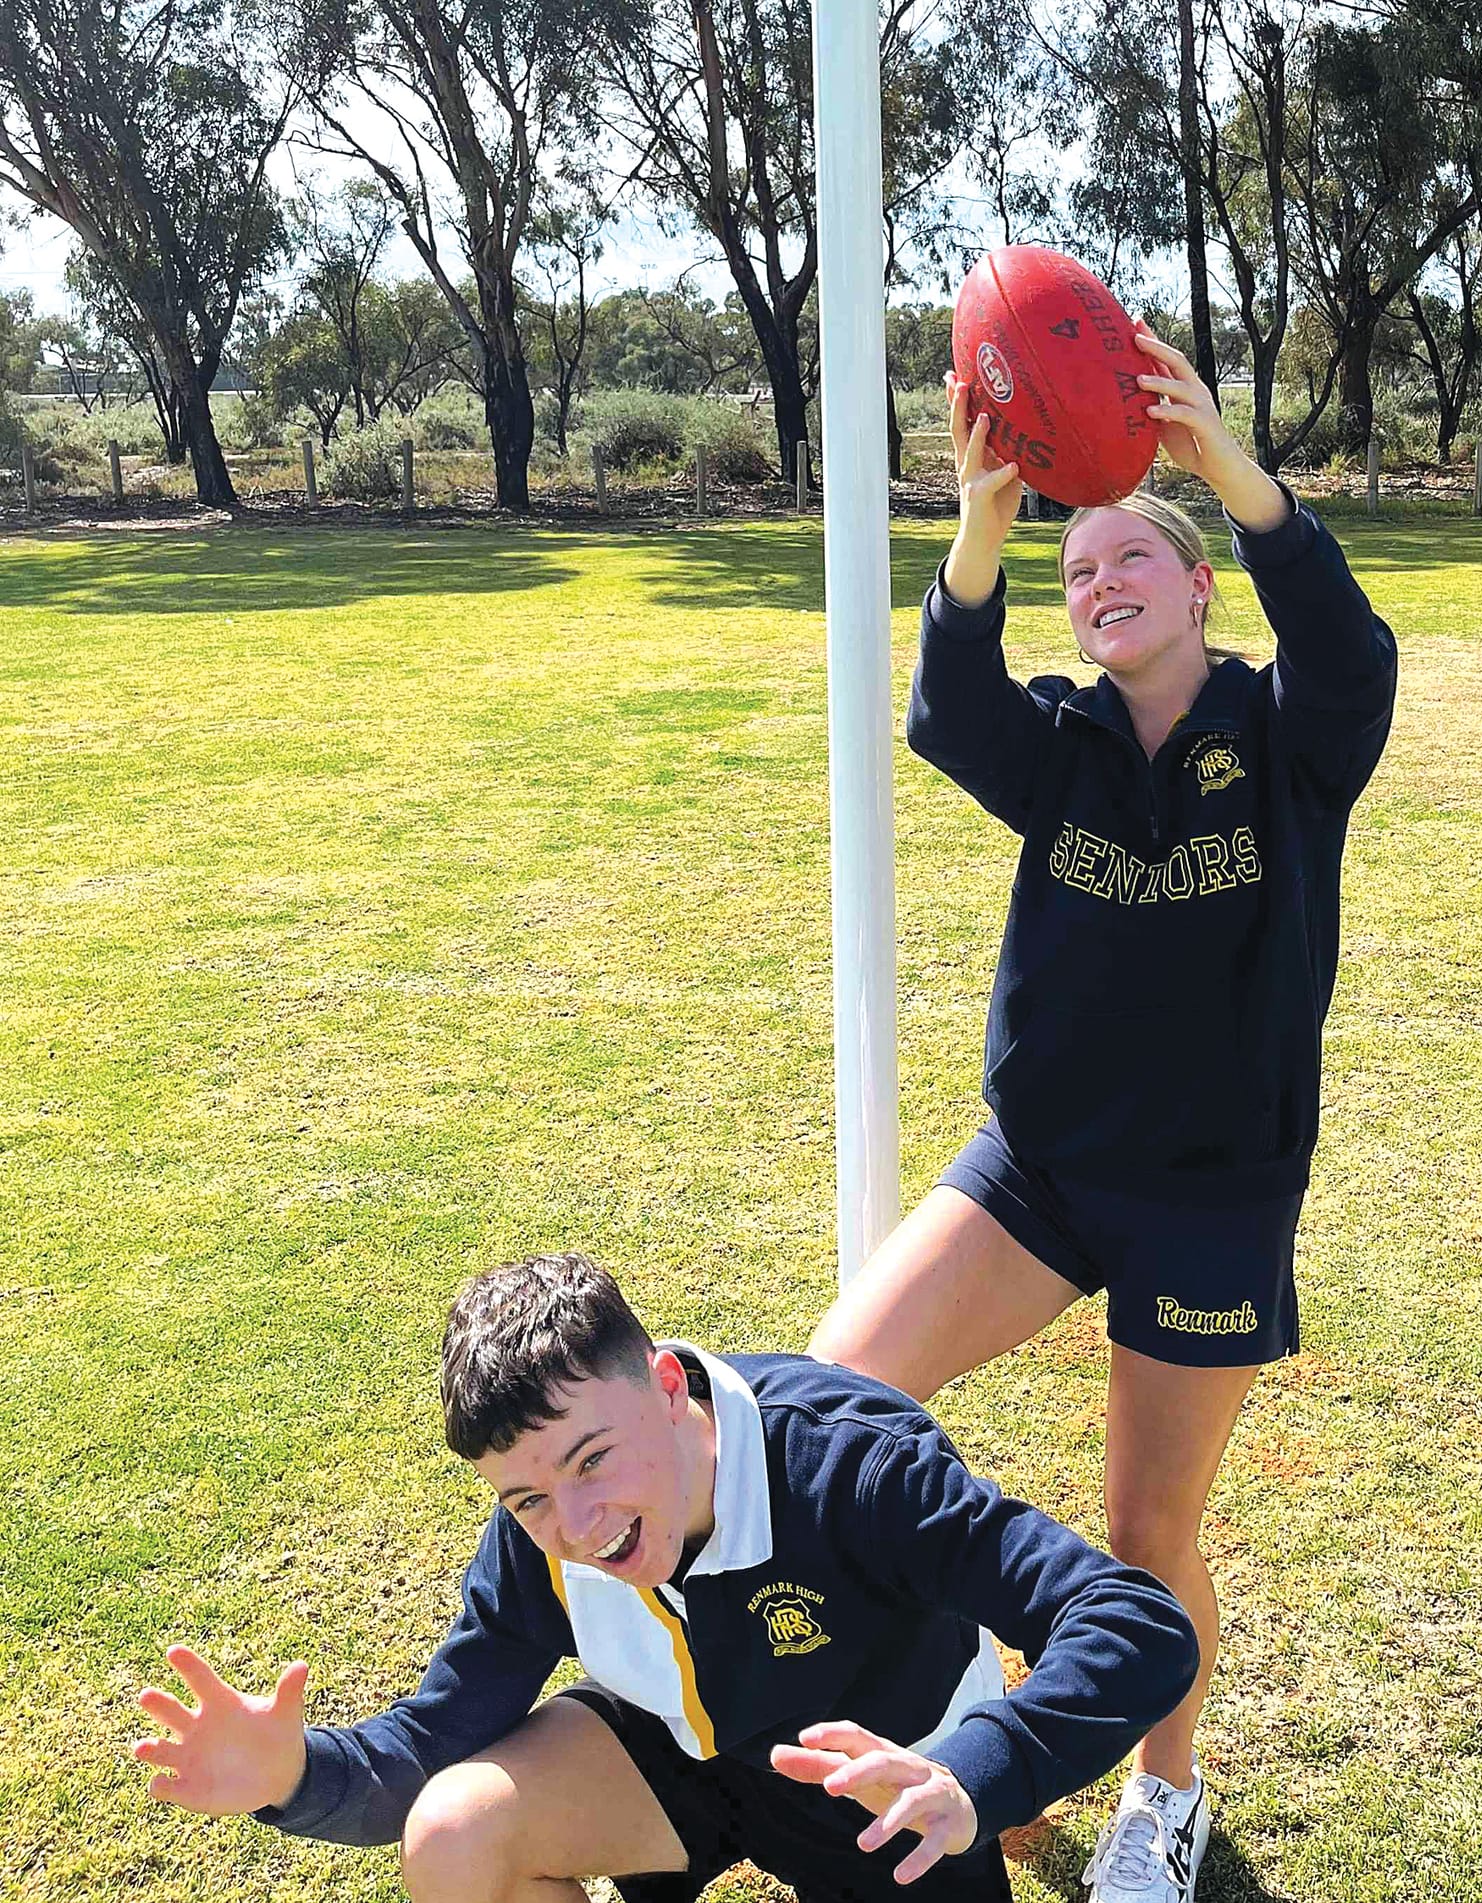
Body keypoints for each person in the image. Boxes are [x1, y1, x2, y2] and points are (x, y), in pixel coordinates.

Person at [810, 328, 1398, 1903]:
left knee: (1145, 1531)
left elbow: (1357, 655)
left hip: (1211, 1191)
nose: (1100, 580)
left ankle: (1165, 1794)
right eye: (1080, 569)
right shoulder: (1059, 745)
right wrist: (990, 509)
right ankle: (947, 1715)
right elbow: (947, 703)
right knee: (828, 1403)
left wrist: (1224, 472)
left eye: (1130, 553)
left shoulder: (1287, 736)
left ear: (1196, 586)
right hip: (1044, 1167)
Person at [130, 1251, 1199, 1903]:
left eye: (593, 1459)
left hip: (883, 1797)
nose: (579, 1525)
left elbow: (1132, 1621)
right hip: (673, 1750)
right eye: (529, 1496)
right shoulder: (541, 1531)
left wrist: (972, 1771)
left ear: (667, 1382)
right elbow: (428, 1745)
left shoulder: (850, 1466)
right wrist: (292, 1774)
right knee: (455, 1831)